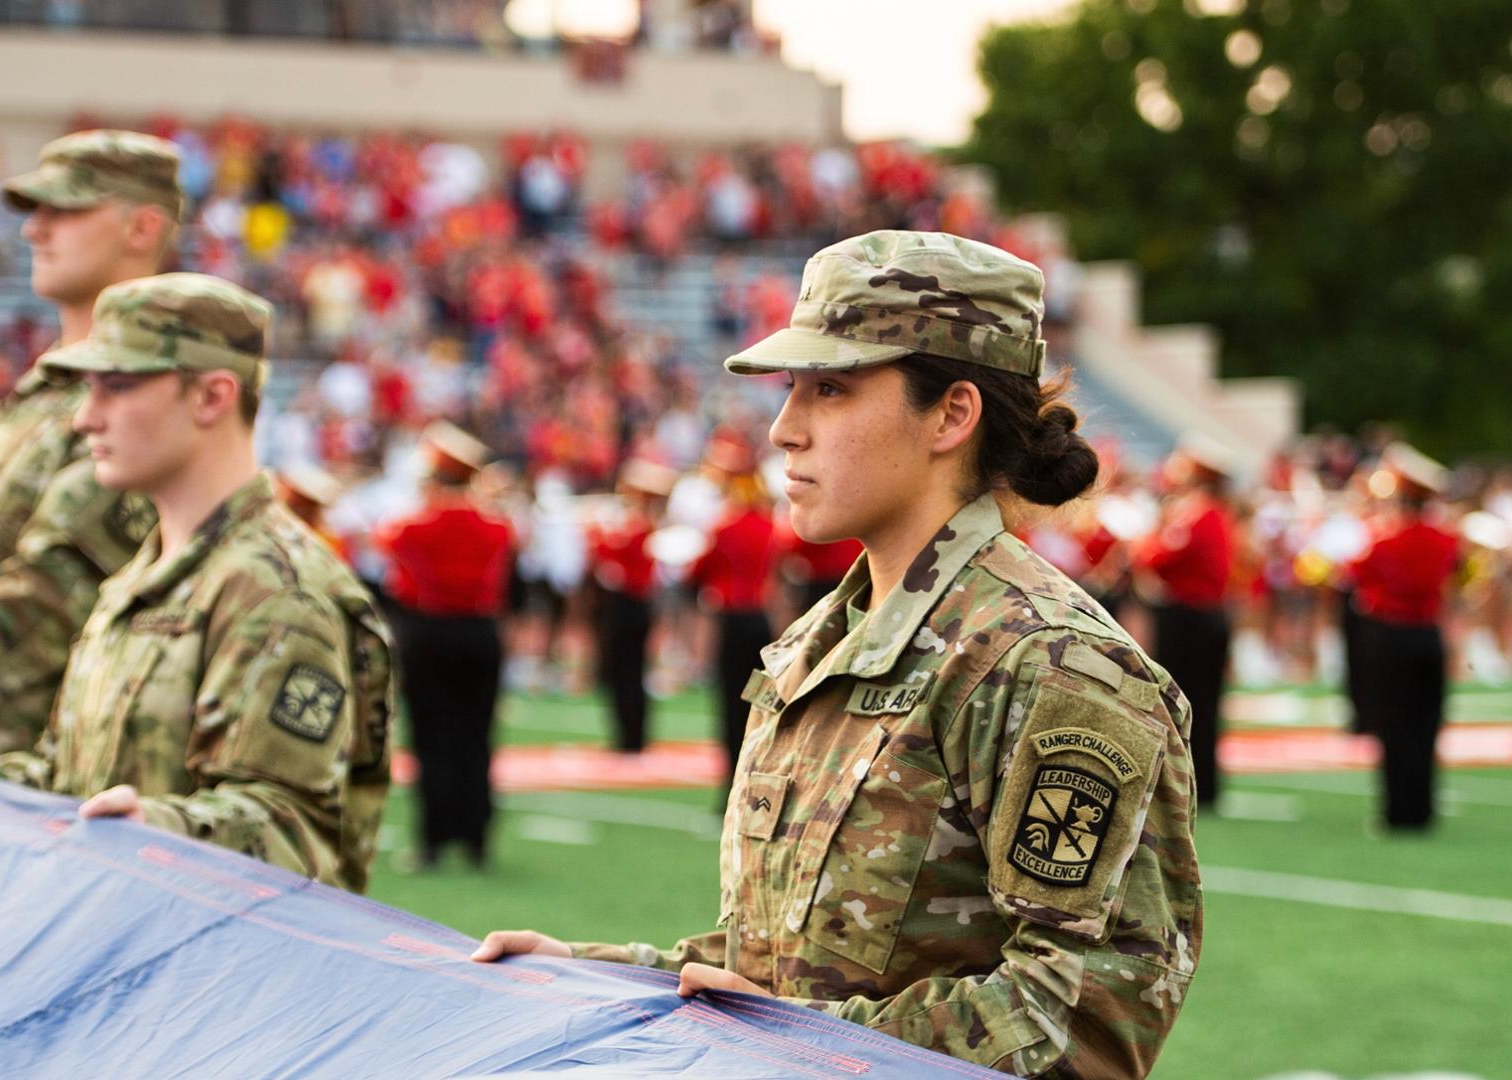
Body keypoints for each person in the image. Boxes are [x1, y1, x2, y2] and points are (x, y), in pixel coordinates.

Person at [470, 231, 1201, 1076]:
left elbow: (1088, 1013)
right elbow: (773, 964)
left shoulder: (1047, 663)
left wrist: (797, 1039)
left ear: (952, 415)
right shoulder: (818, 645)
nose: (784, 430)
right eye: (792, 390)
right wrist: (592, 974)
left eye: (831, 389)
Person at [0, 274, 395, 892]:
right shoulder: (145, 575)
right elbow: (68, 777)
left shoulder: (277, 591)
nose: (85, 418)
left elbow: (293, 836)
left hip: (218, 976)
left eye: (116, 386)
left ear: (211, 397)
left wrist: (153, 826)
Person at [0, 130, 181, 753]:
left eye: (65, 210)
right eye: (34, 212)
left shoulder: (150, 396)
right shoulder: (44, 387)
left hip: (15, 774)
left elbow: (51, 598)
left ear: (142, 228)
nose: (33, 231)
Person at [376, 421, 515, 869]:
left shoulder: (412, 527)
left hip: (428, 633)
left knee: (431, 738)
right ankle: (476, 840)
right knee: (476, 735)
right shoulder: (496, 527)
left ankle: (433, 841)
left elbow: (389, 555)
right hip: (480, 634)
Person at [1347, 443, 1458, 832]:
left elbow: (1356, 575)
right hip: (1429, 635)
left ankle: (1397, 811)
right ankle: (1423, 809)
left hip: (1390, 637)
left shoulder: (1384, 539)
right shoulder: (1447, 538)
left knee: (1394, 725)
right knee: (1426, 724)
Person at [1134, 432, 1235, 813]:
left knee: (1188, 703)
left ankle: (1195, 784)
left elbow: (1154, 556)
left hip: (1189, 619)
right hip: (1199, 616)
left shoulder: (1196, 512)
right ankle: (1200, 783)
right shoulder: (1208, 511)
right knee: (1201, 703)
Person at [684, 433, 776, 789]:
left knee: (730, 704)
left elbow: (699, 572)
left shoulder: (723, 526)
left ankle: (731, 787)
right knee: (759, 703)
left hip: (730, 618)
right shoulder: (769, 526)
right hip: (760, 618)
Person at [586, 458, 673, 754]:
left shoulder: (640, 526)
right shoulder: (639, 524)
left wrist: (596, 530)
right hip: (629, 605)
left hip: (629, 605)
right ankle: (630, 734)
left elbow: (607, 550)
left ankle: (631, 736)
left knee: (626, 671)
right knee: (625, 671)